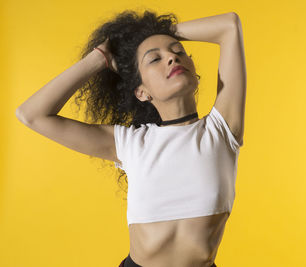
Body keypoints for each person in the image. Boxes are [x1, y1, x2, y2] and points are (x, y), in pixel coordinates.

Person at [16, 9, 246, 267]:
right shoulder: (129, 142)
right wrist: (98, 58)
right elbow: (31, 114)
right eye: (154, 59)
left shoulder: (221, 129)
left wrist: (151, 35)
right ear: (141, 91)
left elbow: (229, 26)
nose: (171, 57)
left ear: (194, 71)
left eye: (178, 51)